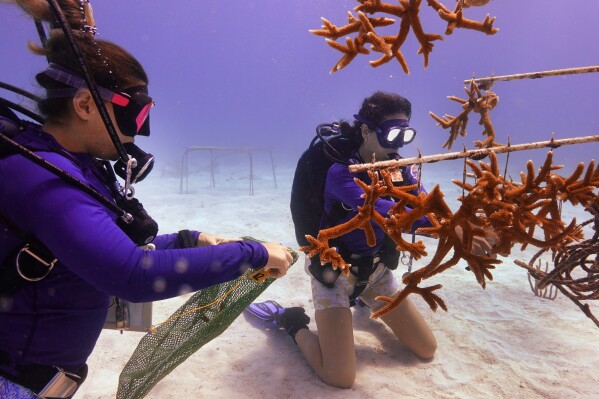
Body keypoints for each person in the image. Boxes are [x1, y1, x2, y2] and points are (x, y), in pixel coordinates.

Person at [0, 1, 292, 397]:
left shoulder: (74, 165)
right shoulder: (45, 180)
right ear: (85, 105)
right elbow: (133, 275)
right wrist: (251, 254)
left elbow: (114, 244)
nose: (139, 133)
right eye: (135, 116)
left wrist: (193, 239)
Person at [250, 91, 495, 388]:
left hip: (377, 272)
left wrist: (461, 225)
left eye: (406, 133)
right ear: (365, 131)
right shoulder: (341, 174)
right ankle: (290, 321)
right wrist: (448, 229)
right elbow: (388, 213)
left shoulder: (402, 169)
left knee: (426, 349)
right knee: (339, 377)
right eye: (392, 132)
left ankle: (367, 307)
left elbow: (423, 205)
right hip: (335, 274)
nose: (398, 143)